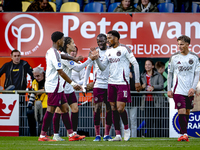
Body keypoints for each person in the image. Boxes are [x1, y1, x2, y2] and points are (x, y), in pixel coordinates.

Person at [38, 31, 89, 141]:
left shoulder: (52, 52)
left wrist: (74, 59)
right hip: (54, 85)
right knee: (51, 109)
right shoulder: (54, 54)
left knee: (65, 108)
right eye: (62, 39)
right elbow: (60, 72)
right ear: (58, 41)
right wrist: (73, 83)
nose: (63, 40)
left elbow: (62, 55)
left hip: (58, 86)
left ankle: (71, 135)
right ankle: (43, 135)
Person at [91, 30, 141, 141]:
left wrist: (137, 81)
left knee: (120, 108)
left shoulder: (124, 49)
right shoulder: (108, 51)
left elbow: (135, 63)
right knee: (113, 108)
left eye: (109, 38)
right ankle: (118, 135)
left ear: (117, 38)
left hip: (122, 82)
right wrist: (97, 59)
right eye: (107, 38)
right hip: (111, 83)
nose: (107, 40)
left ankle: (127, 129)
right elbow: (103, 67)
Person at [52, 37, 94, 141]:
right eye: (72, 43)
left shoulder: (67, 57)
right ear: (67, 45)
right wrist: (90, 59)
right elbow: (78, 68)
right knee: (58, 110)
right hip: (61, 89)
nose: (74, 45)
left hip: (69, 89)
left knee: (75, 109)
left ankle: (74, 133)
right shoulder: (63, 58)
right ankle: (56, 135)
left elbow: (77, 66)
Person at [167, 35, 199, 142]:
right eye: (178, 44)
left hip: (189, 90)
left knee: (187, 112)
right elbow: (170, 74)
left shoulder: (194, 57)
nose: (179, 46)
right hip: (178, 90)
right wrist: (169, 89)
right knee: (181, 110)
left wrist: (193, 88)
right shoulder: (174, 57)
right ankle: (184, 134)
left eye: (181, 44)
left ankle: (183, 133)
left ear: (187, 44)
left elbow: (197, 74)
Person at [83, 34, 113, 141]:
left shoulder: (111, 51)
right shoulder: (94, 52)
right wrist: (84, 84)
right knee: (97, 108)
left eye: (102, 41)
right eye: (98, 41)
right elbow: (88, 68)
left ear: (106, 41)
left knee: (109, 108)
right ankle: (97, 135)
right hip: (98, 84)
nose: (100, 43)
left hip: (110, 83)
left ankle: (106, 134)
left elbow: (105, 67)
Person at [139, 59, 164, 137]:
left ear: (153, 66)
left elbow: (162, 86)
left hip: (156, 100)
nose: (147, 66)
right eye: (146, 65)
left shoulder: (158, 75)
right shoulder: (142, 75)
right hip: (146, 100)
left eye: (149, 64)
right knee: (148, 119)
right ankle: (148, 135)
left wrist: (154, 87)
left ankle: (158, 136)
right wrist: (141, 87)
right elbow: (138, 88)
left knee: (157, 119)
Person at [27, 65, 49, 136]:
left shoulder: (48, 80)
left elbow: (48, 89)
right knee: (29, 113)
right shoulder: (34, 81)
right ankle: (33, 135)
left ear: (42, 73)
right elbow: (33, 92)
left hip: (47, 104)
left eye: (38, 76)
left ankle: (44, 134)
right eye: (35, 76)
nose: (36, 78)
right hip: (37, 103)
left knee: (45, 118)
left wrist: (37, 92)